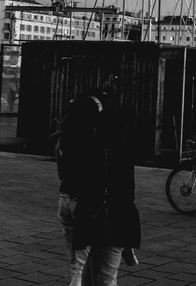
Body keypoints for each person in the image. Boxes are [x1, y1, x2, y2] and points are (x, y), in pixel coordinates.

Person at [56, 92, 142, 285]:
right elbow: (122, 192)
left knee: (86, 271)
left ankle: (78, 274)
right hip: (106, 217)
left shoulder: (70, 139)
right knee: (102, 277)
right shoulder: (110, 149)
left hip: (81, 207)